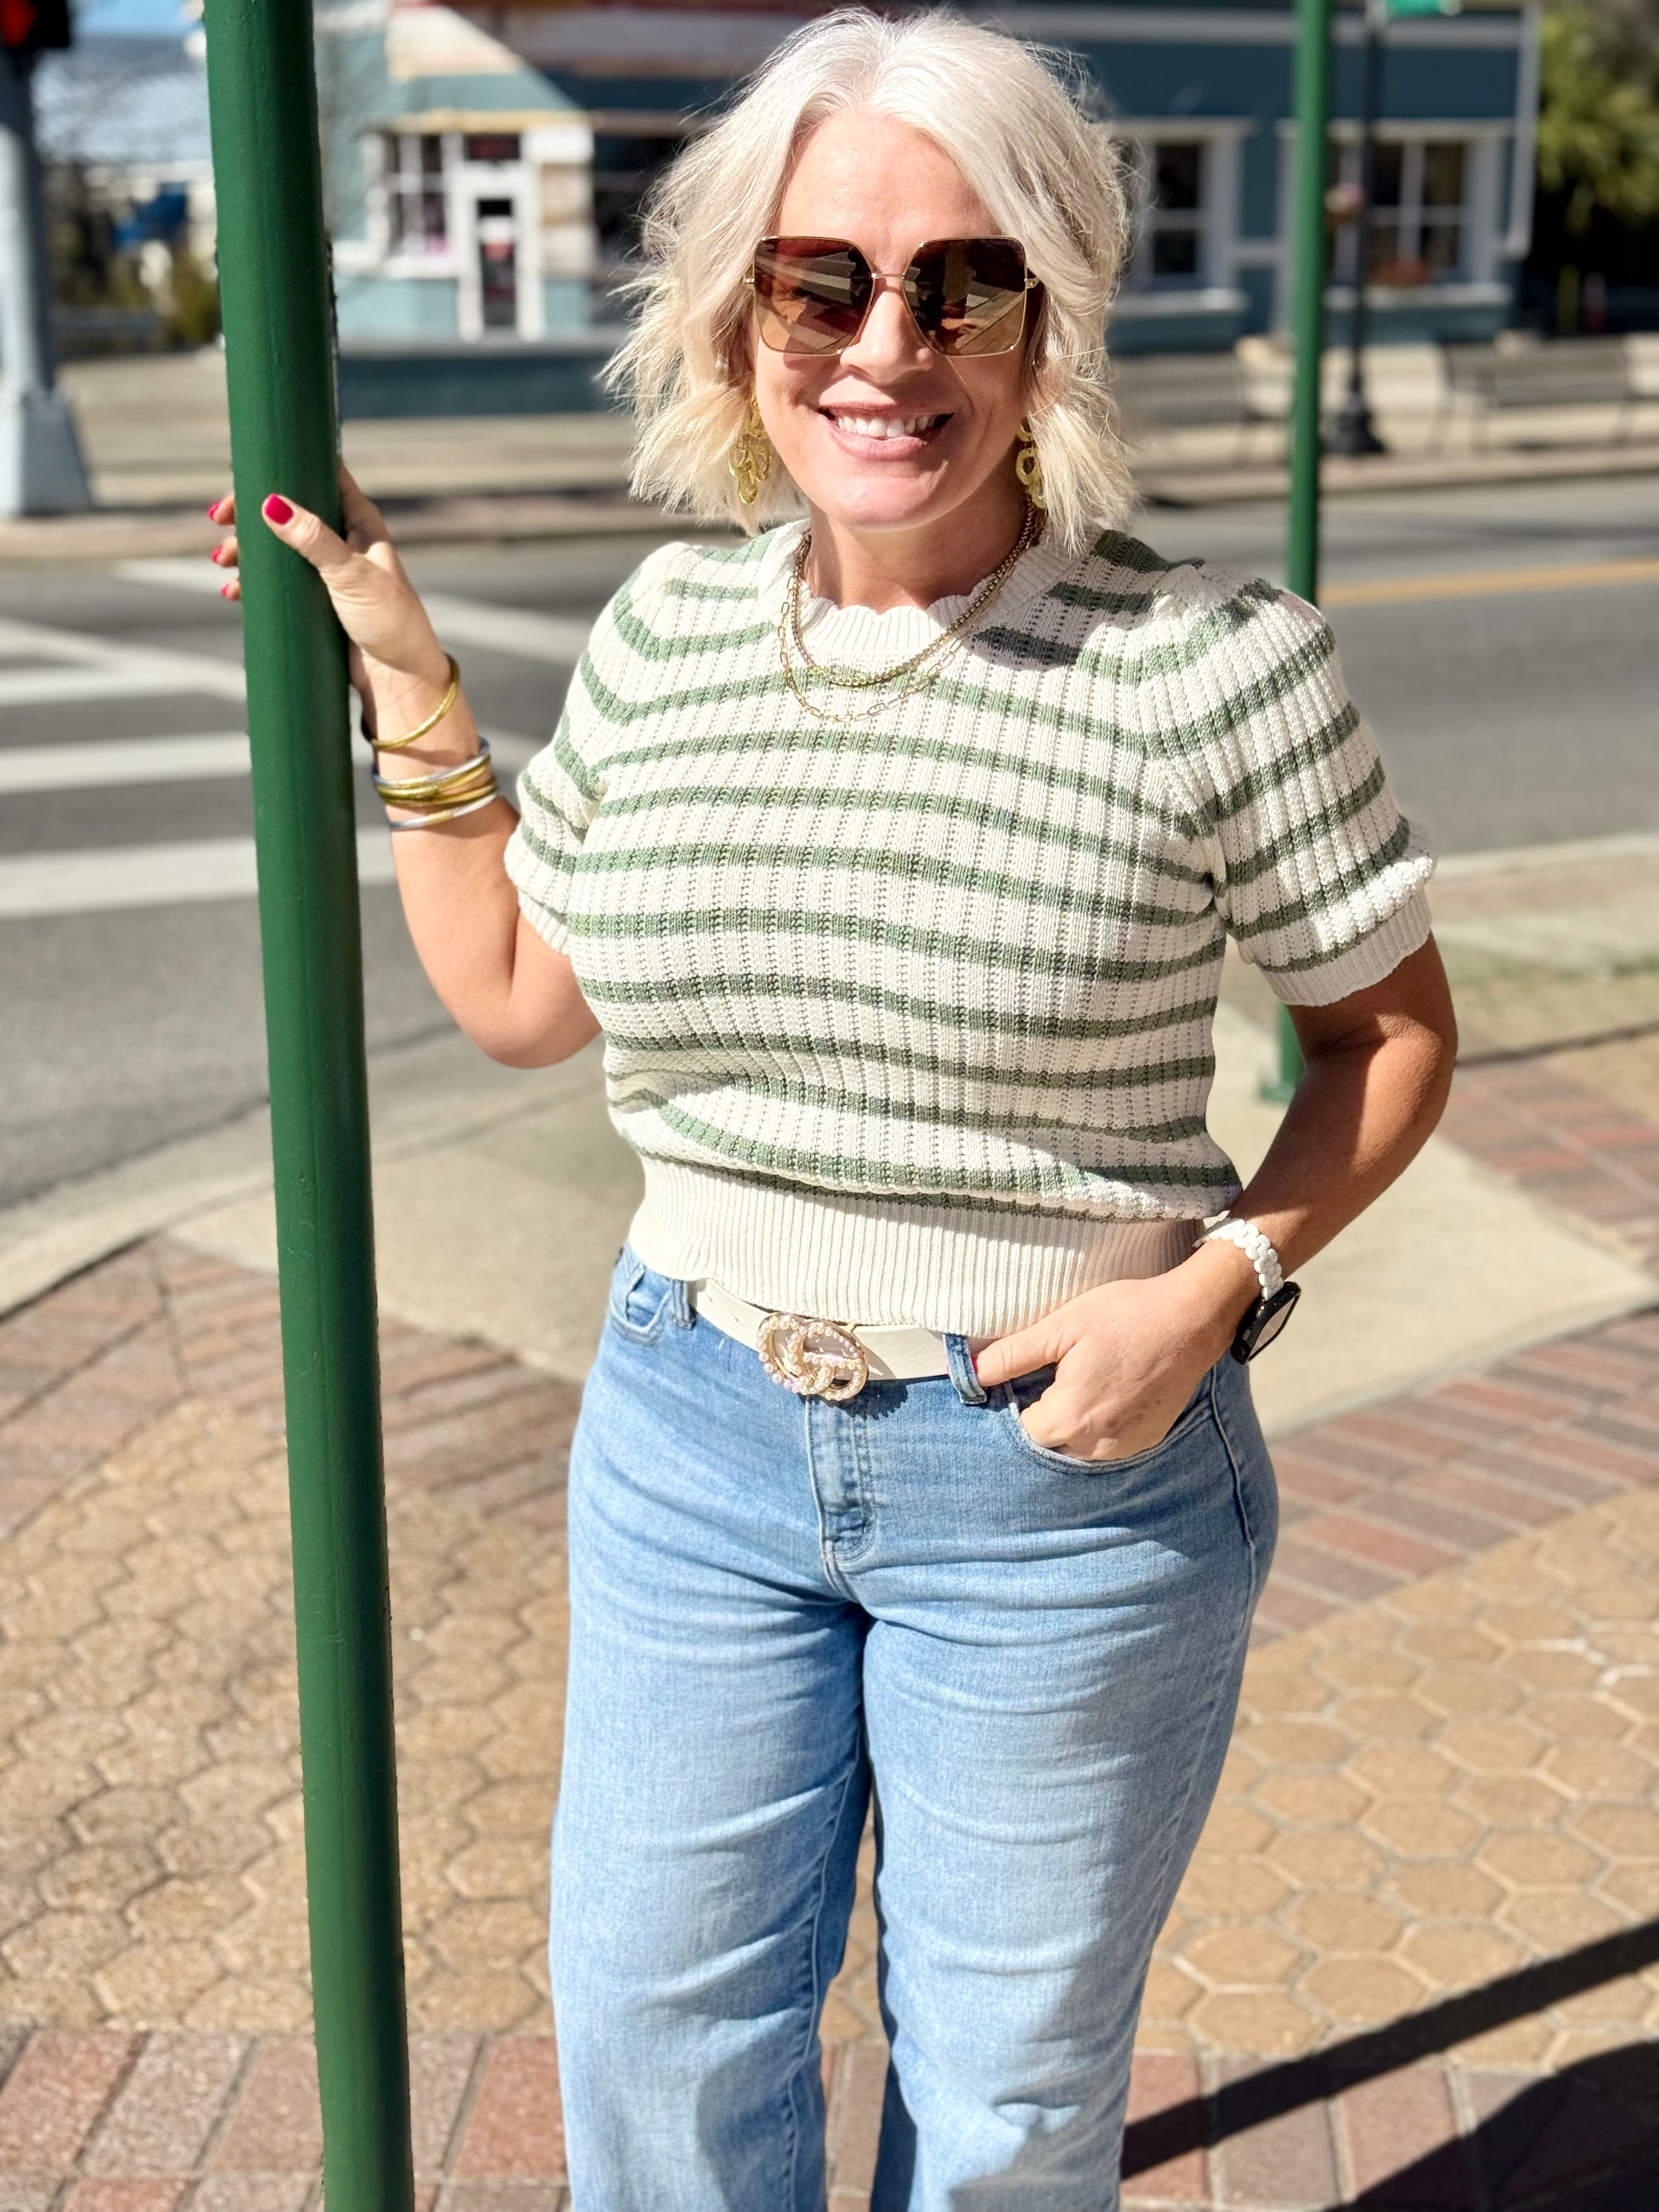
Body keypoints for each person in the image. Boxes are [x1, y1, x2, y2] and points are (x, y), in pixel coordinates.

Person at [210, 10, 1457, 2205]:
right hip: (689, 1435)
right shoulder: (670, 635)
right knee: (659, 2062)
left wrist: (1228, 1288)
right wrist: (411, 684)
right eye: (824, 282)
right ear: (739, 315)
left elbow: (1392, 1040)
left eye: (966, 281)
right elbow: (517, 992)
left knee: (1000, 2116)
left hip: (1062, 1487)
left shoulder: (1216, 664)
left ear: (1052, 318)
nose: (893, 346)